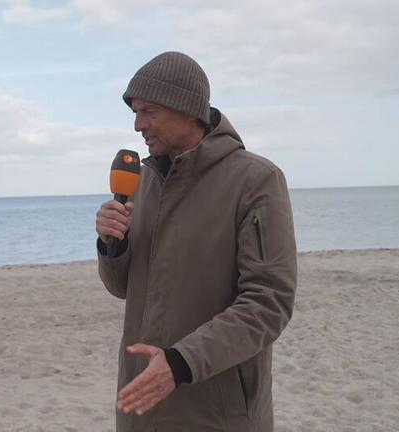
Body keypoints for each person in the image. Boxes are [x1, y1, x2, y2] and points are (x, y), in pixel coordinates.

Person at [96, 52, 297, 431]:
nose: (138, 125)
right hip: (139, 404)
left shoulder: (256, 180)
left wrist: (180, 362)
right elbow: (122, 287)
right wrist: (112, 245)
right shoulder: (143, 179)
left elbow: (270, 303)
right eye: (135, 112)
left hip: (215, 413)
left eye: (149, 111)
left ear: (188, 110)